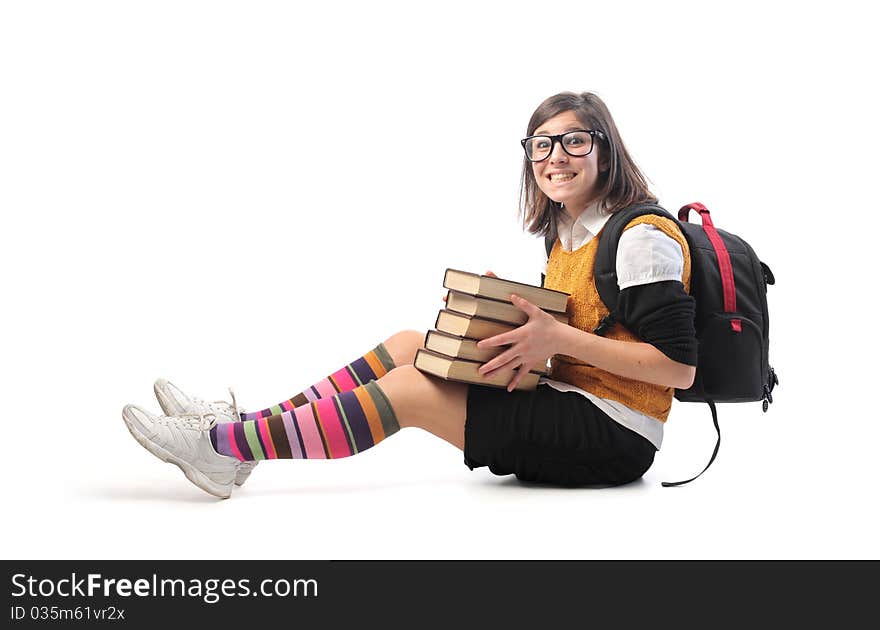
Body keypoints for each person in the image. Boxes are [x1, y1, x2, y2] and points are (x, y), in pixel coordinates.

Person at [122, 91, 697, 498]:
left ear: (606, 150)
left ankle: (223, 448)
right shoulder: (570, 231)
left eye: (574, 141)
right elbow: (582, 339)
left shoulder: (641, 239)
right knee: (409, 345)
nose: (555, 158)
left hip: (615, 435)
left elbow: (677, 369)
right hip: (576, 398)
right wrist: (512, 317)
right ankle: (247, 427)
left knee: (408, 390)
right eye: (541, 145)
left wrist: (554, 337)